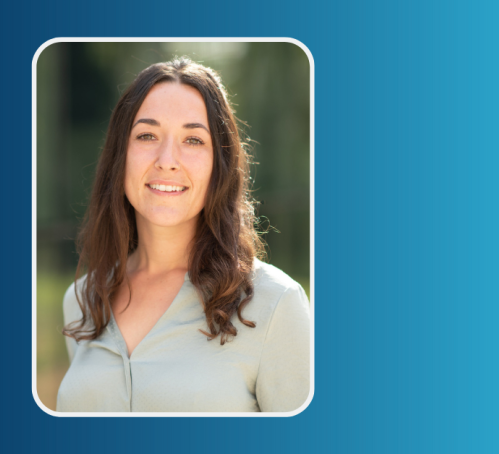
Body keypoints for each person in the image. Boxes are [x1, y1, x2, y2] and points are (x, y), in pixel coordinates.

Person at [55, 57, 310, 412]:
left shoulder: (276, 304)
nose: (167, 160)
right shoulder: (83, 300)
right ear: (119, 154)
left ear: (220, 165)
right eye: (147, 135)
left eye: (193, 139)